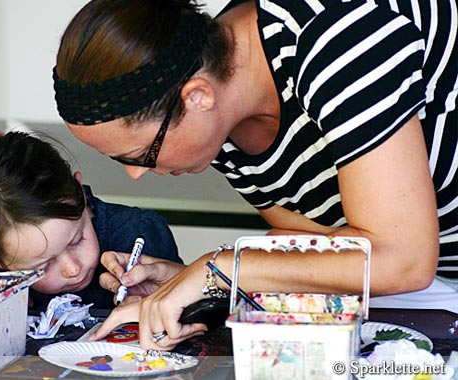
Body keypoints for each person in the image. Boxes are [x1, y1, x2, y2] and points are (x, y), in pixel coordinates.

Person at [52, 0, 457, 349]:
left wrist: (224, 269)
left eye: (142, 154)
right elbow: (316, 243)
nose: (136, 175)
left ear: (197, 97)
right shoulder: (220, 111)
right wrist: (196, 284)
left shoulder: (334, 35)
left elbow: (403, 261)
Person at [0, 131, 183, 311]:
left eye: (77, 239)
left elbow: (202, 310)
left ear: (79, 194)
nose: (73, 269)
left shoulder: (138, 234)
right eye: (43, 265)